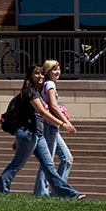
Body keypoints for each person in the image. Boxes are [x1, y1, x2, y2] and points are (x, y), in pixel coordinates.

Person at [0, 65, 85, 199]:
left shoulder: (35, 92)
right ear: (30, 75)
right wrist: (63, 124)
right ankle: (0, 191)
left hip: (37, 135)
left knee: (49, 168)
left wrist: (17, 139)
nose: (41, 76)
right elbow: (42, 112)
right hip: (29, 135)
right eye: (37, 73)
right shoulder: (30, 92)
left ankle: (70, 194)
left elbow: (26, 117)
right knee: (16, 165)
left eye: (42, 74)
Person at [34, 59, 76, 196]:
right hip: (50, 127)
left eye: (58, 69)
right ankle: (42, 193)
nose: (57, 72)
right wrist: (65, 123)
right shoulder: (50, 84)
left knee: (67, 158)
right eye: (53, 69)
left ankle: (57, 193)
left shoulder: (46, 84)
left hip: (52, 127)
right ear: (47, 72)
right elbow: (53, 106)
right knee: (48, 162)